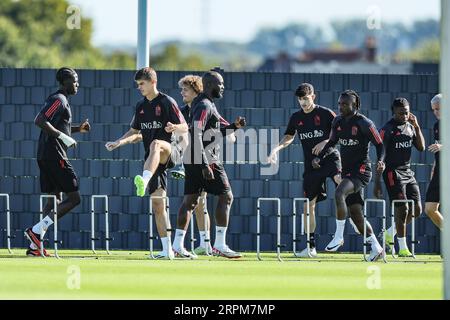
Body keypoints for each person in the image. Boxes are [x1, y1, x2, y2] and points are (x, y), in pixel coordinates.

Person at [105, 67, 188, 259]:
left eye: (142, 84)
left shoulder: (167, 102)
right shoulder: (141, 107)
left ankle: (144, 178)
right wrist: (119, 142)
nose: (139, 87)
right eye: (137, 85)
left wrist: (174, 126)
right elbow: (134, 132)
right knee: (158, 205)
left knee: (156, 143)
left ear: (153, 82)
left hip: (170, 151)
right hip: (153, 160)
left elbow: (185, 126)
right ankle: (167, 251)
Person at [172, 71, 245, 258]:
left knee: (190, 202)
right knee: (226, 196)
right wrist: (204, 165)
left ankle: (177, 246)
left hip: (192, 158)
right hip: (207, 159)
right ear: (210, 84)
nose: (223, 87)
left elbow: (212, 132)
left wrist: (234, 127)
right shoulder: (204, 104)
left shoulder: (204, 104)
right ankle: (219, 244)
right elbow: (196, 133)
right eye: (220, 84)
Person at [268, 83, 341, 258]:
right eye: (300, 99)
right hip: (312, 167)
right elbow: (289, 137)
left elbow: (340, 131)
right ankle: (310, 247)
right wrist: (275, 150)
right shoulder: (296, 117)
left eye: (306, 99)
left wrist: (325, 142)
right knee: (308, 206)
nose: (303, 102)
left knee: (341, 185)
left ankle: (346, 228)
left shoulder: (326, 113)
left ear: (313, 97)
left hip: (330, 159)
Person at [312, 90, 385, 262]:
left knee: (339, 192)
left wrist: (381, 160)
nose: (341, 106)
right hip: (347, 171)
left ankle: (338, 237)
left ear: (355, 105)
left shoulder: (364, 123)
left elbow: (380, 145)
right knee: (356, 214)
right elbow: (331, 143)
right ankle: (376, 248)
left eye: (345, 104)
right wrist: (319, 157)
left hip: (361, 171)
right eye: (339, 103)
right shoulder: (337, 121)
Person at [24, 67, 90, 257]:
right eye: (74, 80)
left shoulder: (62, 101)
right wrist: (64, 136)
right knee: (75, 198)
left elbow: (58, 125)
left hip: (46, 155)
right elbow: (40, 120)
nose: (77, 83)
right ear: (65, 82)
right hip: (55, 156)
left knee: (54, 198)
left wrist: (77, 129)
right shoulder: (58, 100)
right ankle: (36, 231)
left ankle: (35, 246)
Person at [373, 98, 425, 257]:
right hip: (393, 173)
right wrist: (380, 168)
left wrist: (417, 126)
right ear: (393, 112)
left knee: (417, 209)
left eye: (407, 112)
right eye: (401, 113)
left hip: (408, 173)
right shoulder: (387, 129)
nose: (404, 115)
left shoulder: (410, 127)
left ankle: (390, 233)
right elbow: (381, 150)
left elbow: (421, 147)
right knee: (403, 209)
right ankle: (402, 248)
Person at [424, 94, 443, 230]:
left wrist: (442, 146)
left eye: (438, 109)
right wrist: (434, 168)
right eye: (434, 110)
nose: (436, 112)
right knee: (430, 209)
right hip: (439, 172)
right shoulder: (437, 125)